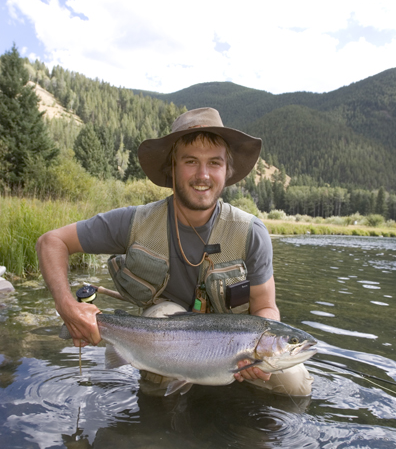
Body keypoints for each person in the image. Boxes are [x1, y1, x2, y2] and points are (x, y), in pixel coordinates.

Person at [36, 107, 313, 396]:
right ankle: (156, 432)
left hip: (234, 350)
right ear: (173, 167)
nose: (203, 175)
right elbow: (51, 242)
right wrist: (68, 308)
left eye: (214, 163)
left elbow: (265, 308)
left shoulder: (251, 233)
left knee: (296, 385)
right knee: (161, 320)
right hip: (162, 341)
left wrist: (263, 356)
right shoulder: (135, 222)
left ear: (227, 170)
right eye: (191, 161)